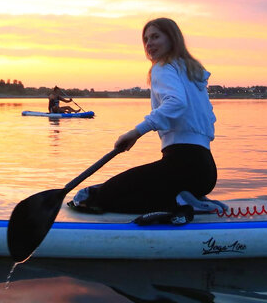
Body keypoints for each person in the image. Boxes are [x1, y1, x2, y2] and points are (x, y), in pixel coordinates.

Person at [71, 18, 219, 216]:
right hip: (205, 171)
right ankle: (187, 197)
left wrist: (136, 132)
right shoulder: (191, 72)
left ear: (172, 39)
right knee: (123, 191)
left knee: (99, 198)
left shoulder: (163, 67)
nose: (149, 44)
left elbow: (176, 102)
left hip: (183, 165)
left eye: (156, 37)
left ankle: (180, 203)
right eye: (146, 39)